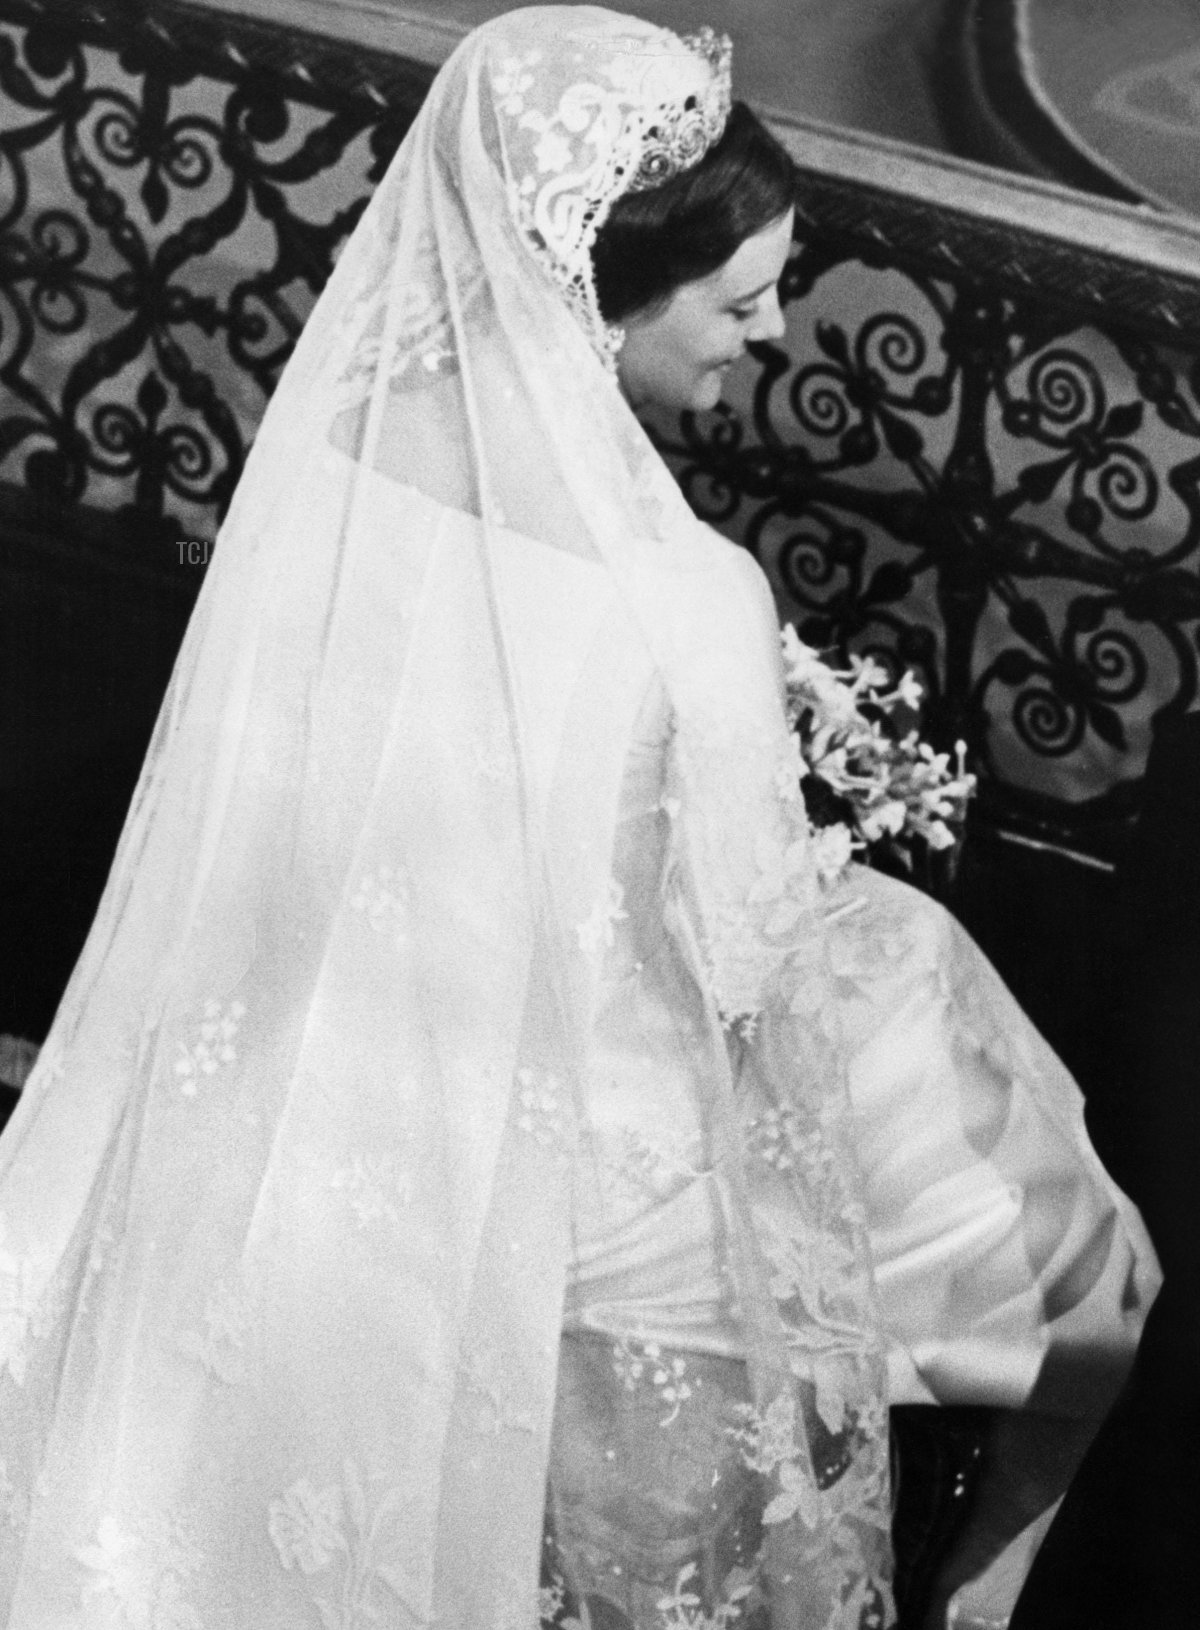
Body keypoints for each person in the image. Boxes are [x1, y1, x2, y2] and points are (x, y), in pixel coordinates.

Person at [0, 9, 1157, 1628]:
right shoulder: (687, 595)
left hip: (289, 1034)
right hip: (548, 1121)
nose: (769, 337)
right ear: (603, 297)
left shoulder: (332, 449)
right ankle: (1004, 1557)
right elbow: (742, 969)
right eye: (746, 302)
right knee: (1057, 1216)